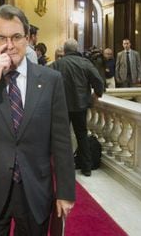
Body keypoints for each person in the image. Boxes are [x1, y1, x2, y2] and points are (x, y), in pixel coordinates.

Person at [0, 5, 75, 235]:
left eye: (16, 37)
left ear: (27, 38)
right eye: (1, 38)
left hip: (34, 190)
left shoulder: (51, 80)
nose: (9, 44)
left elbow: (61, 141)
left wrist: (66, 191)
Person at [50, 38, 104, 177]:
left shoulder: (57, 64)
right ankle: (86, 168)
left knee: (62, 137)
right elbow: (98, 80)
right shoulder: (85, 63)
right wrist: (96, 94)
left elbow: (45, 81)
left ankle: (63, 167)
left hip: (62, 106)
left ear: (65, 50)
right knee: (82, 135)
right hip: (81, 105)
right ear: (76, 49)